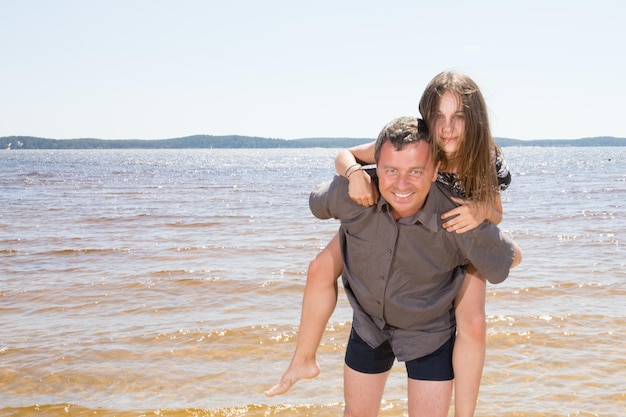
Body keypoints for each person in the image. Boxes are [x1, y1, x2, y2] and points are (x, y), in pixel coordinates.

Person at [266, 72, 511, 416]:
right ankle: (303, 358)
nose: (448, 127)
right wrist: (353, 176)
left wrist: (479, 211)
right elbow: (346, 156)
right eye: (438, 116)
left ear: (475, 119)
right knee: (320, 267)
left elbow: (497, 215)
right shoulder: (414, 141)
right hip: (383, 223)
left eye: (459, 117)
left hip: (457, 233)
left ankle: (464, 413)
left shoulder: (481, 157)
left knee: (472, 320)